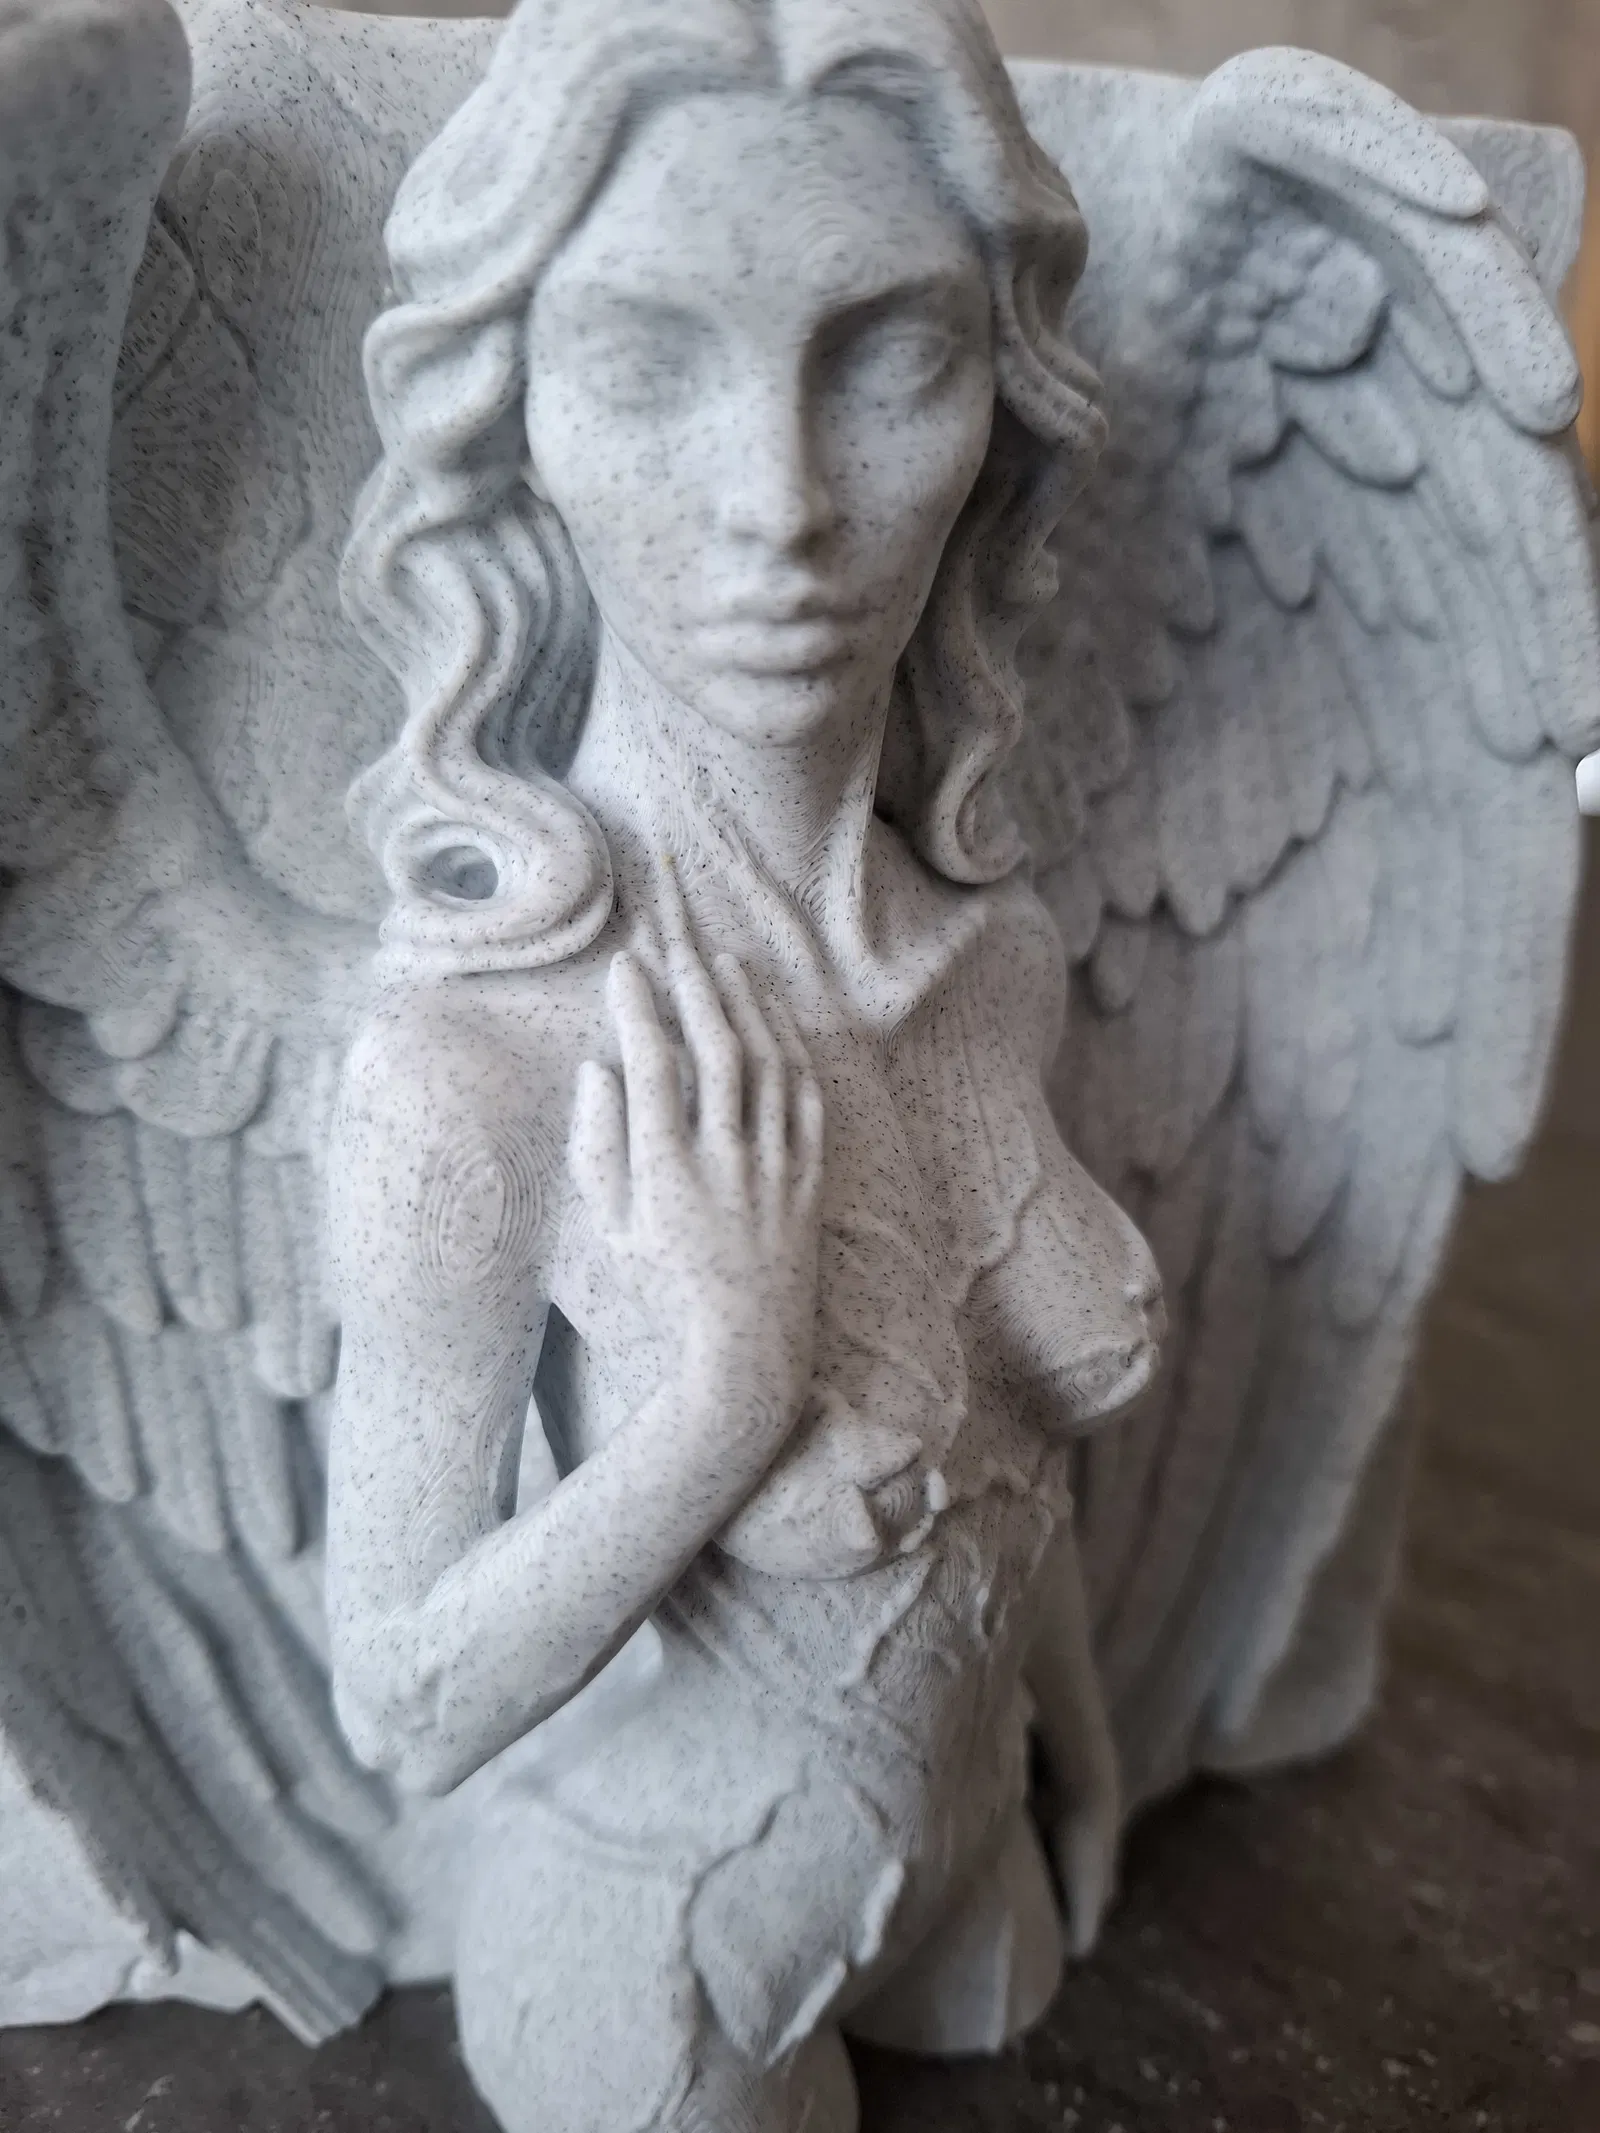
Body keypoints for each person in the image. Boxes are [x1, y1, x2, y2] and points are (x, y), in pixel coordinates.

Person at [327, 2, 1161, 2124]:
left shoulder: (992, 960)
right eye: (644, 359)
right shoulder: (481, 1063)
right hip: (666, 1938)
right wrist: (718, 1395)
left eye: (889, 359)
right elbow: (401, 1701)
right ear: (515, 411)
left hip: (978, 1861)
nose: (779, 503)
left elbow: (1020, 1466)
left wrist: (1089, 1743)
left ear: (997, 402)